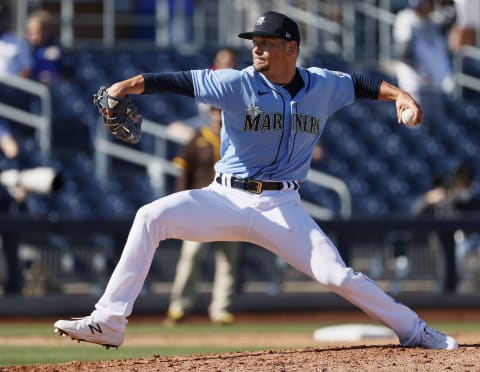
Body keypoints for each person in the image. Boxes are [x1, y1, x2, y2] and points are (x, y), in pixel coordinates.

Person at [54, 11, 458, 350]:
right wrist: (127, 85)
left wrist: (402, 96)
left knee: (337, 275)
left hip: (282, 207)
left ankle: (414, 330)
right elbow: (174, 80)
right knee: (149, 216)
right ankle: (109, 321)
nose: (257, 48)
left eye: (266, 41)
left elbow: (366, 85)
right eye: (254, 42)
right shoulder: (236, 82)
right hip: (225, 197)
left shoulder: (323, 84)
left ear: (291, 48)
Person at [166, 106, 240, 325]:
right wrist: (182, 203)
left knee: (228, 260)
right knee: (191, 255)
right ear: (210, 113)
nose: (219, 114)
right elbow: (184, 172)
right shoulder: (199, 136)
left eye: (222, 110)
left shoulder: (239, 138)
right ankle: (179, 306)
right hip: (200, 207)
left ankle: (221, 310)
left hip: (231, 206)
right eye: (216, 110)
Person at [393, 0, 455, 123]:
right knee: (417, 125)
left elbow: (451, 16)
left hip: (435, 86)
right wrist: (421, 71)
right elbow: (403, 54)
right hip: (414, 85)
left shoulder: (432, 21)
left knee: (437, 128)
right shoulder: (406, 20)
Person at [166, 47, 237, 142]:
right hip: (208, 120)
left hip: (229, 122)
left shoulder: (240, 82)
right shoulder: (209, 79)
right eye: (220, 63)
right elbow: (205, 110)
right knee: (174, 129)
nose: (223, 66)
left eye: (228, 63)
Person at [25, 9, 63, 85]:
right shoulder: (25, 48)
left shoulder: (55, 49)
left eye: (37, 32)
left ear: (47, 30)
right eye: (30, 33)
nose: (34, 37)